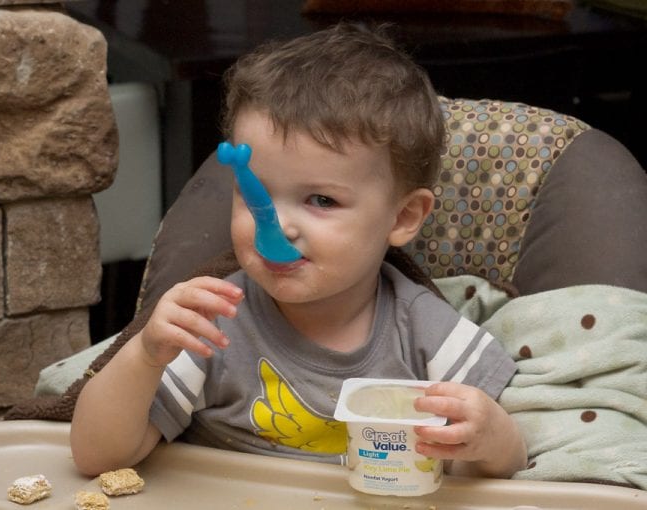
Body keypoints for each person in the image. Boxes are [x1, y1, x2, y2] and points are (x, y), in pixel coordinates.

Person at [70, 22, 527, 479]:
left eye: (321, 200)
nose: (279, 226)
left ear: (403, 218)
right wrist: (145, 356)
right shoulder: (213, 325)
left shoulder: (427, 337)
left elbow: (504, 471)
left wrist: (491, 439)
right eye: (256, 196)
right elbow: (99, 458)